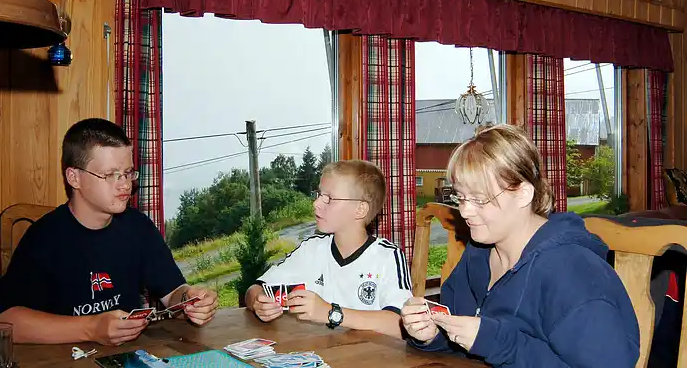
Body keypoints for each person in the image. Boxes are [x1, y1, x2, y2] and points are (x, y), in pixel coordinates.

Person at [401, 124, 639, 367]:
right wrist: (432, 334)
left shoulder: (571, 273)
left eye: (480, 199)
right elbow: (465, 337)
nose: (465, 211)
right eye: (460, 197)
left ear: (524, 194)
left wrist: (498, 343)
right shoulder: (479, 252)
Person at [0, 118, 218, 345]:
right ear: (74, 177)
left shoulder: (138, 227)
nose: (125, 184)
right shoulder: (44, 238)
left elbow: (172, 293)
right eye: (110, 175)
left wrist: (189, 300)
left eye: (128, 173)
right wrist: (91, 328)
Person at [245, 160, 413, 338]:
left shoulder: (387, 257)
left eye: (329, 198)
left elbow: (400, 324)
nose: (316, 203)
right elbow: (255, 289)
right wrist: (258, 302)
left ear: (360, 209)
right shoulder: (311, 249)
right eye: (319, 194)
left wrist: (330, 313)